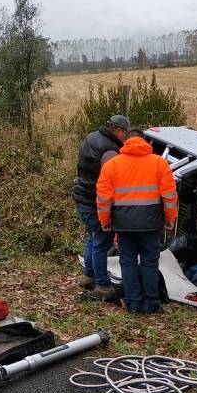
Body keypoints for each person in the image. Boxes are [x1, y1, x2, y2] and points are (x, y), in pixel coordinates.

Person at [96, 129, 177, 314]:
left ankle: (133, 304)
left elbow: (103, 198)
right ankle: (151, 304)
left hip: (124, 224)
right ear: (145, 141)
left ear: (126, 141)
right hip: (150, 223)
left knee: (128, 262)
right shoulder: (159, 163)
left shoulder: (112, 165)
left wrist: (105, 220)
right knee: (150, 263)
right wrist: (170, 219)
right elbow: (170, 195)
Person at [73, 114, 130, 297]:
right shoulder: (110, 150)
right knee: (101, 243)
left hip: (82, 196)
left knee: (93, 237)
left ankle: (88, 276)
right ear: (119, 130)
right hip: (94, 201)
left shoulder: (91, 137)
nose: (126, 138)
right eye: (125, 133)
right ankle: (103, 285)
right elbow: (110, 182)